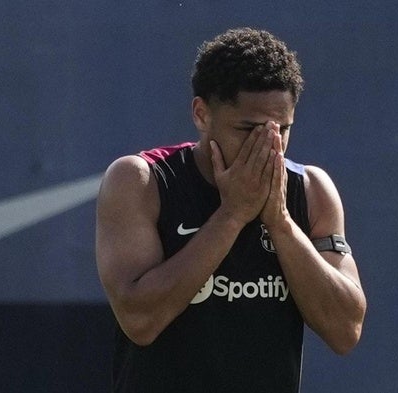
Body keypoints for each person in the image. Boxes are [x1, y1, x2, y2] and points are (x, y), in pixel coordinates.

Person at [96, 27, 366, 393]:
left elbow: (345, 331)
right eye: (248, 129)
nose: (269, 146)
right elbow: (140, 320)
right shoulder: (141, 181)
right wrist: (233, 214)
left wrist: (281, 223)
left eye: (282, 129)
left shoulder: (311, 190)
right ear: (201, 114)